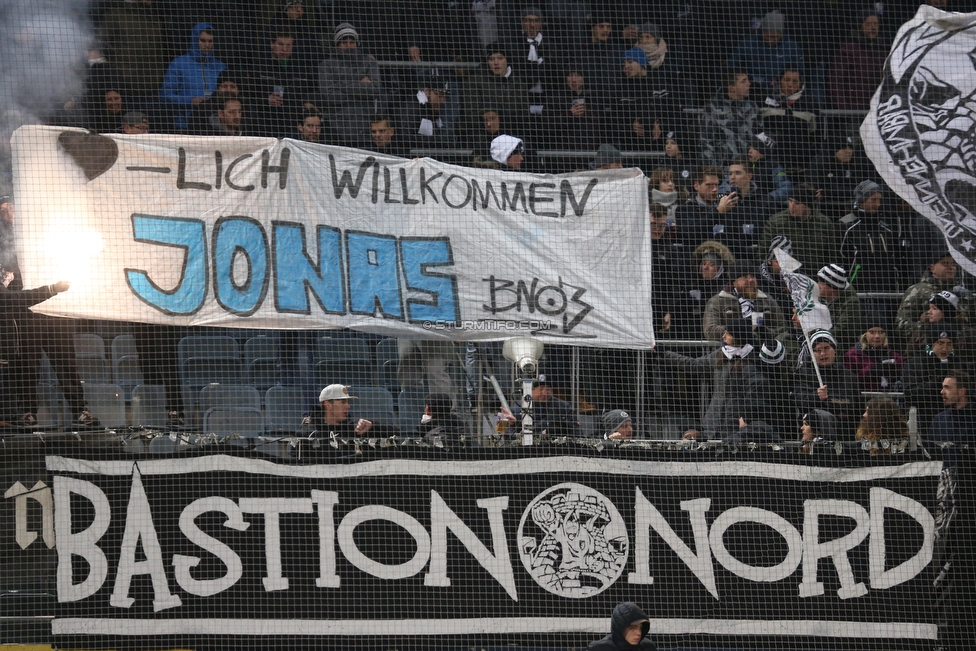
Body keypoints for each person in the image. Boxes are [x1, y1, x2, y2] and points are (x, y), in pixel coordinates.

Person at [658, 318, 775, 442]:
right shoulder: (720, 354)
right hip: (711, 425)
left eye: (728, 334)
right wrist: (665, 353)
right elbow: (693, 364)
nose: (723, 336)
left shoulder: (752, 364)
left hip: (735, 429)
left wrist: (746, 420)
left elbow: (756, 401)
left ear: (737, 337)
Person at [319, 23, 385, 149]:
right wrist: (360, 86)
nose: (349, 46)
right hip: (335, 130)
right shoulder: (326, 65)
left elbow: (375, 89)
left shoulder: (369, 62)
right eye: (344, 42)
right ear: (337, 44)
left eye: (351, 42)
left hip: (365, 130)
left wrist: (340, 85)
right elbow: (329, 96)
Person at [160, 23, 226, 131]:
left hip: (216, 127)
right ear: (195, 40)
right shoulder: (178, 64)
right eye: (203, 41)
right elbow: (164, 96)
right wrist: (190, 101)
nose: (207, 45)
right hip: (185, 126)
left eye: (210, 41)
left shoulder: (221, 67)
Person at [794, 330, 862, 436]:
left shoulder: (848, 376)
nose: (822, 353)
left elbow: (858, 407)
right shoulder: (803, 374)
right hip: (815, 432)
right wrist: (816, 396)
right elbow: (799, 399)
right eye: (817, 350)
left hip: (846, 432)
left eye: (826, 348)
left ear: (834, 350)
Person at [759, 183, 837, 273]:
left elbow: (831, 256)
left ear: (808, 205)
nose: (792, 206)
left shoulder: (824, 223)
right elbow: (763, 254)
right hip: (784, 278)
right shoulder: (775, 222)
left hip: (815, 277)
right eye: (790, 201)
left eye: (797, 203)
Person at [905, 326, 968, 436]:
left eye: (949, 344)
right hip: (924, 417)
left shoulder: (960, 363)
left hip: (956, 419)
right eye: (940, 343)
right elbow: (910, 393)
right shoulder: (916, 362)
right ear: (932, 344)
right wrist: (938, 381)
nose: (945, 348)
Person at [897, 251, 968, 347]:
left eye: (953, 264)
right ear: (932, 268)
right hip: (926, 348)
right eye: (945, 263)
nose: (951, 267)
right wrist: (926, 326)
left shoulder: (963, 293)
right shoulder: (917, 291)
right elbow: (901, 324)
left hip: (960, 349)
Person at [702, 263, 789, 341]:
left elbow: (782, 327)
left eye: (752, 276)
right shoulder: (717, 301)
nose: (750, 280)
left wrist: (766, 332)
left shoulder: (767, 300)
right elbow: (710, 330)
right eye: (744, 277)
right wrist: (737, 329)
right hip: (730, 353)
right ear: (734, 282)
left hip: (763, 352)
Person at [699, 70, 762, 167]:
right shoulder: (713, 108)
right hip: (724, 166)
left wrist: (758, 151)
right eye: (743, 81)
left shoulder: (753, 107)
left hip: (750, 166)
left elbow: (760, 134)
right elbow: (706, 141)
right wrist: (711, 168)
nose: (749, 84)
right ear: (731, 88)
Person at [728, 10, 804, 91]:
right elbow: (732, 65)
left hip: (779, 89)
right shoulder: (748, 43)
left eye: (775, 37)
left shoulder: (791, 46)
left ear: (781, 34)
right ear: (763, 32)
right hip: (751, 86)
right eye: (768, 36)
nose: (771, 40)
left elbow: (800, 72)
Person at [828, 9, 887, 111]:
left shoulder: (883, 49)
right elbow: (836, 80)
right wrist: (843, 108)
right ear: (860, 25)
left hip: (878, 109)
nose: (873, 28)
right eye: (868, 24)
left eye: (875, 24)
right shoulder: (848, 49)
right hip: (854, 109)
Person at [844, 323, 904, 392]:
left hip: (891, 399)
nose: (877, 336)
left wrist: (896, 375)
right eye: (872, 332)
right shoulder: (853, 355)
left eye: (881, 332)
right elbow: (848, 381)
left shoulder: (895, 356)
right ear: (864, 334)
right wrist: (871, 371)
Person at [816, 264, 862, 353]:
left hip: (842, 348)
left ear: (832, 287)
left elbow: (842, 330)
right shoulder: (818, 298)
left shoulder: (851, 303)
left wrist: (818, 335)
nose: (818, 285)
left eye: (822, 283)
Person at [929, 370, 976, 454]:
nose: (942, 392)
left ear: (961, 391)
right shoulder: (938, 420)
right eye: (943, 387)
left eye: (947, 387)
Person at [588, 602, 657, 651]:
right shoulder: (600, 648)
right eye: (633, 628)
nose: (638, 633)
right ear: (620, 627)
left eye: (640, 627)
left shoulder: (648, 647)